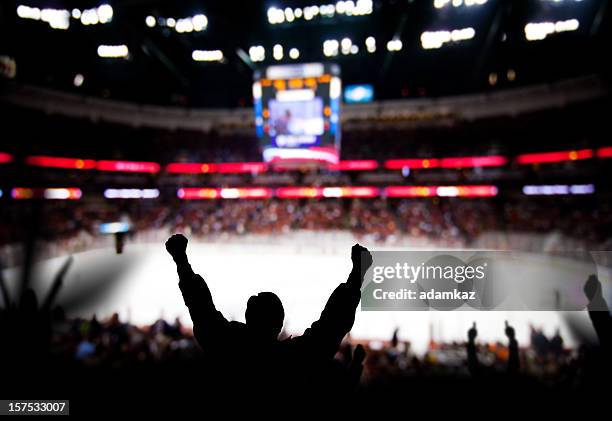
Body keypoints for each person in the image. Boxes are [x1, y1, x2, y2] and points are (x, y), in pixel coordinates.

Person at [165, 233, 372, 399]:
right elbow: (330, 329)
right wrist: (357, 275)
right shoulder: (293, 361)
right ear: (280, 324)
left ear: (247, 317)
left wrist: (181, 261)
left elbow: (201, 309)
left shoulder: (225, 347)